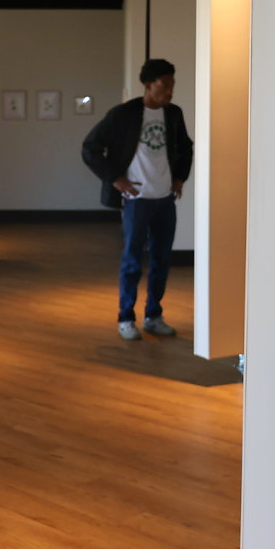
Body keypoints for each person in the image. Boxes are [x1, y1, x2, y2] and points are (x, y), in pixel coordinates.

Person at [80, 57, 193, 341]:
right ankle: (125, 318)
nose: (169, 90)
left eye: (172, 85)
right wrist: (115, 178)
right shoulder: (123, 114)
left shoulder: (174, 114)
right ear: (148, 84)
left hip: (165, 199)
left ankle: (153, 316)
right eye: (164, 84)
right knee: (132, 261)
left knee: (161, 260)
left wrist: (180, 178)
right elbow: (90, 147)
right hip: (137, 200)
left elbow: (186, 148)